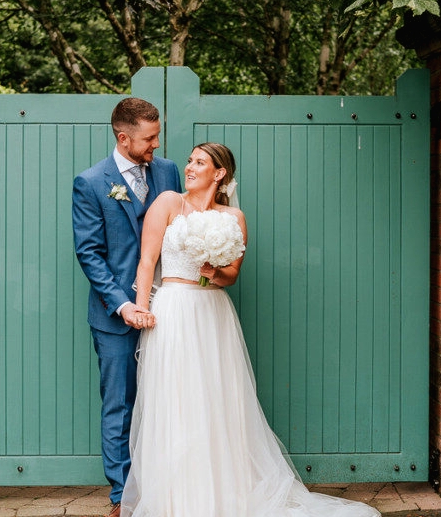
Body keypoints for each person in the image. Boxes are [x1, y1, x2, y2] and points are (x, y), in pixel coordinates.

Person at [120, 142, 380, 517]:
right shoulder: (167, 203)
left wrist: (213, 271)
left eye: (199, 162)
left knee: (216, 399)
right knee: (175, 398)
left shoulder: (234, 218)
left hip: (213, 313)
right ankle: (177, 500)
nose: (189, 167)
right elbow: (147, 261)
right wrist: (142, 307)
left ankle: (223, 492)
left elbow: (231, 277)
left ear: (220, 173)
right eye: (190, 161)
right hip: (173, 309)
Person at [71, 98, 182, 517]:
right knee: (120, 404)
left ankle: (165, 488)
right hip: (115, 318)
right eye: (150, 138)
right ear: (124, 137)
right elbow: (90, 254)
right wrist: (122, 306)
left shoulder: (169, 172)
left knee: (168, 400)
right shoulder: (91, 182)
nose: (156, 145)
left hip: (170, 309)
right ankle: (123, 498)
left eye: (157, 136)